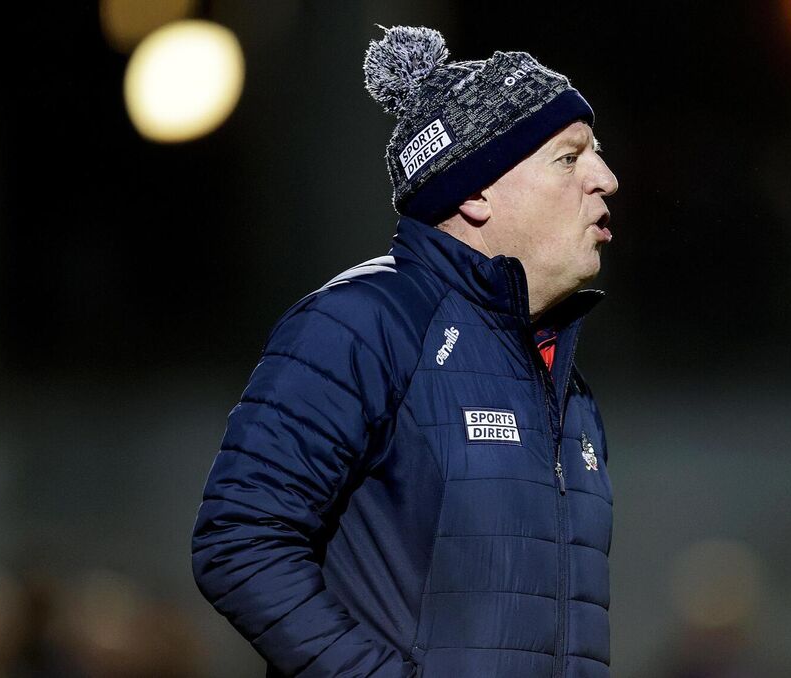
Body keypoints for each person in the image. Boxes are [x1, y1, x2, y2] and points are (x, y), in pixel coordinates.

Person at [191, 25, 619, 678]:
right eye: (569, 157)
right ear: (473, 191)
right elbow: (240, 540)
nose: (606, 179)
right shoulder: (362, 325)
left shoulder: (563, 379)